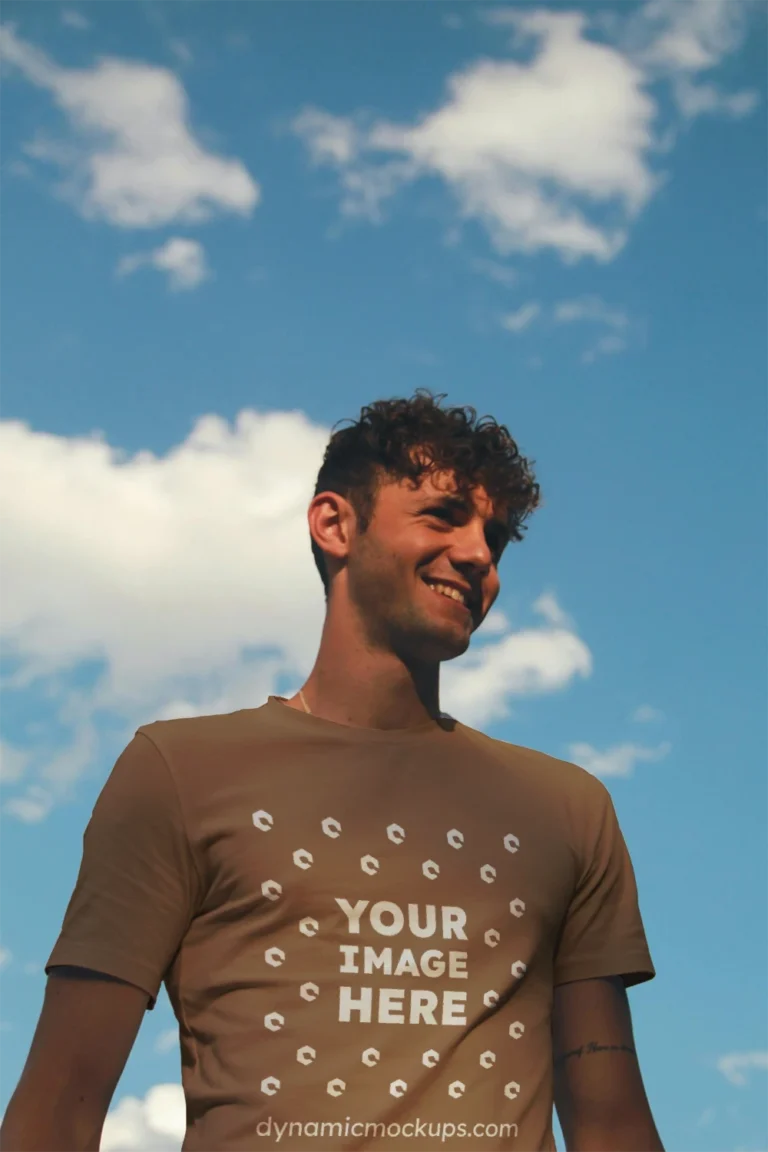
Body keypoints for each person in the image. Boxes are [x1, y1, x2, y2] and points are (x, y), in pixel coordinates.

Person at [0, 390, 665, 1151]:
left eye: (497, 536)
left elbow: (611, 1124)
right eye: (444, 515)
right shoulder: (179, 771)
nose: (481, 554)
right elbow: (56, 1110)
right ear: (334, 524)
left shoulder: (568, 809)